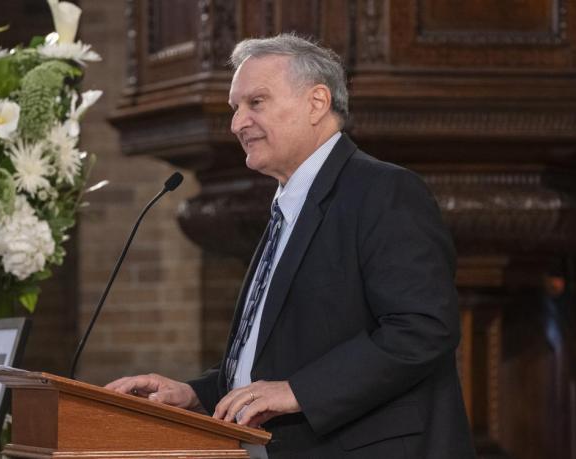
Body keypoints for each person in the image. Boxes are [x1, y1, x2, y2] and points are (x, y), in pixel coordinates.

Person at [106, 34, 476, 458]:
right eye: (235, 108)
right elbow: (276, 357)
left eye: (255, 103)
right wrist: (194, 394)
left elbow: (424, 328)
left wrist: (299, 391)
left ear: (317, 103)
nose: (237, 123)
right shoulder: (288, 205)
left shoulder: (383, 191)